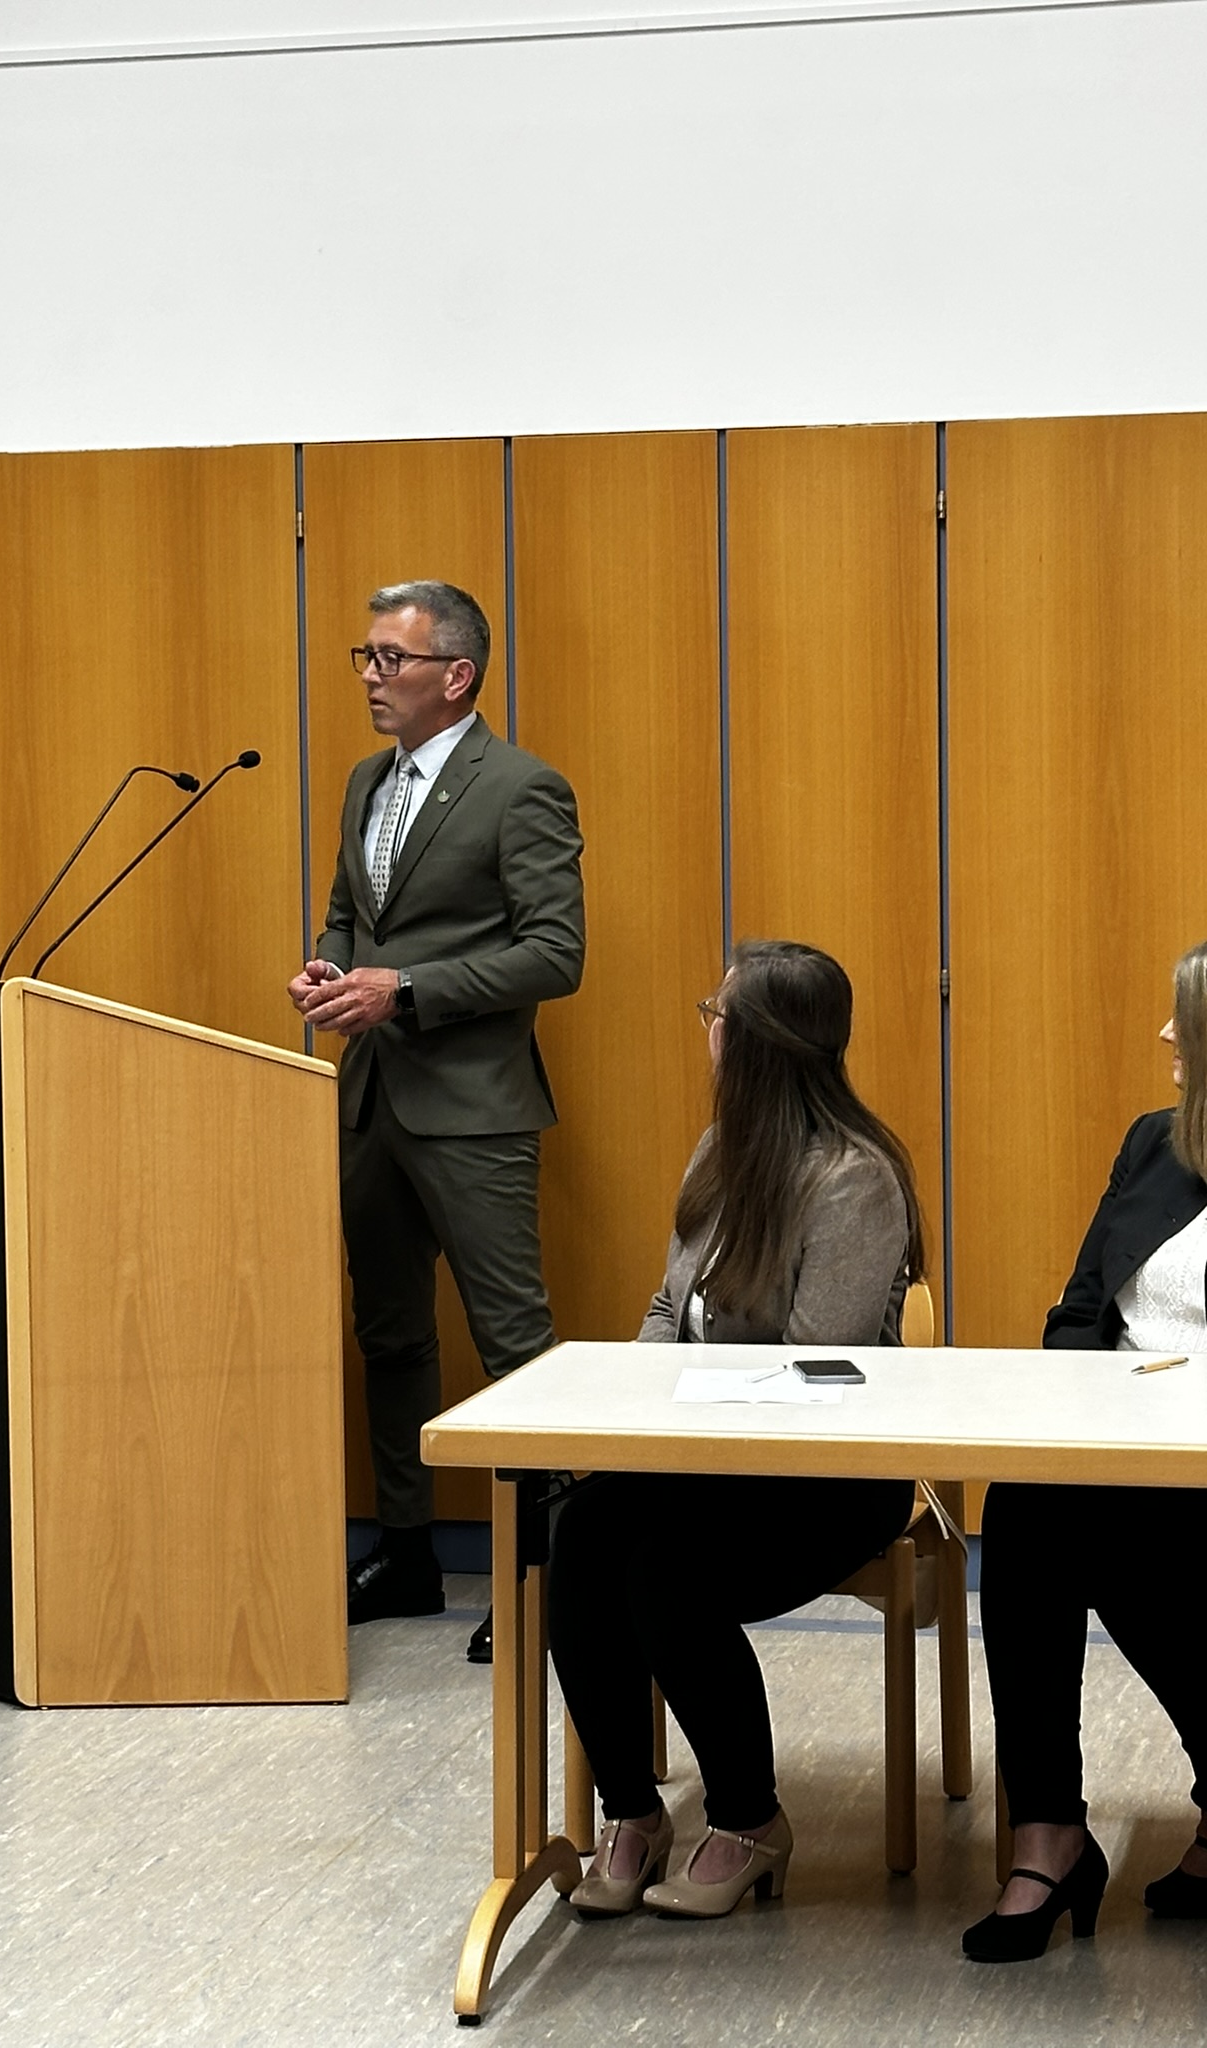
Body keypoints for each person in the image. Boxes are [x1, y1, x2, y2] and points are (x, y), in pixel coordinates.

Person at [547, 940, 925, 1919]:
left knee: (664, 1567)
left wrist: (680, 1416)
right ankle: (632, 1813)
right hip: (704, 1456)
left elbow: (817, 1367)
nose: (707, 1029)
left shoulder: (855, 1177)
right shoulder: (722, 1149)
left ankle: (750, 1821)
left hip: (829, 1478)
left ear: (757, 1041)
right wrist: (632, 1399)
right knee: (580, 1532)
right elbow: (670, 1308)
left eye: (716, 1013)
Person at [289, 580, 584, 1646]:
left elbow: (555, 954)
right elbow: (349, 910)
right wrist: (331, 970)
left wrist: (404, 989)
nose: (371, 677)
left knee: (515, 1344)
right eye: (366, 656)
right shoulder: (367, 781)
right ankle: (407, 1550)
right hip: (370, 1098)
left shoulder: (522, 788)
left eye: (391, 659)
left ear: (456, 675)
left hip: (473, 1109)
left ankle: (544, 1576)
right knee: (389, 1334)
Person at [961, 938, 1207, 1964]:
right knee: (1026, 1504)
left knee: (1109, 1539)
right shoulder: (1154, 1143)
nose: (1165, 1033)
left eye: (1185, 1017)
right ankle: (1048, 1831)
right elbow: (1078, 1312)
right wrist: (1083, 1405)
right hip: (1127, 1445)